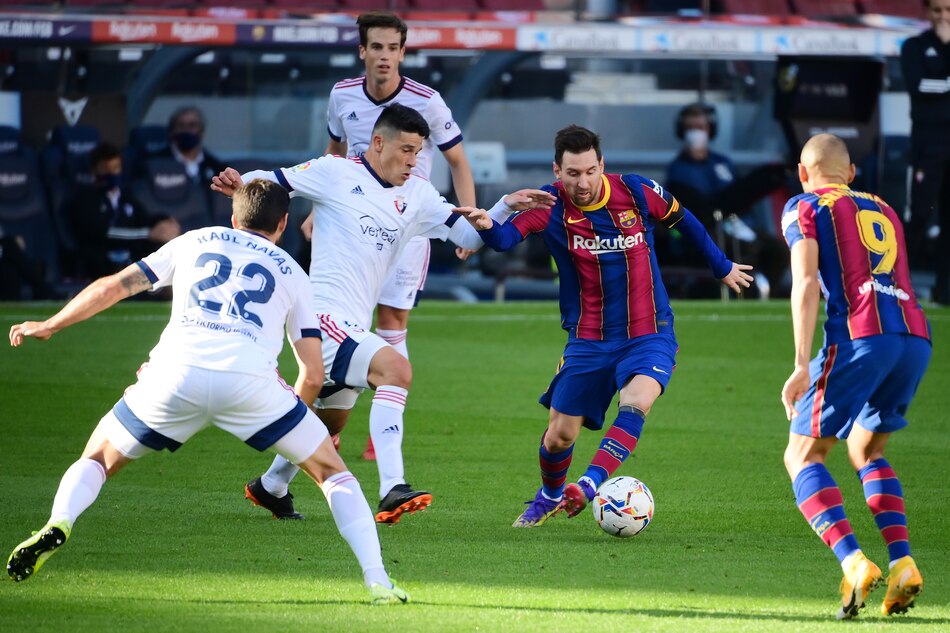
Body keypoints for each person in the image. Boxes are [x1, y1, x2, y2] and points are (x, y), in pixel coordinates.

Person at [5, 179, 409, 605]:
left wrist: (50, 324)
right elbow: (312, 372)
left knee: (98, 459)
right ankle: (378, 580)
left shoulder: (193, 240)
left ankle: (59, 521)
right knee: (333, 473)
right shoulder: (291, 270)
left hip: (174, 373)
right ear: (284, 223)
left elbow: (116, 286)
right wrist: (300, 423)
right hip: (250, 384)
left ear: (233, 219)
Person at [211, 104, 553, 525]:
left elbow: (468, 236)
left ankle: (271, 486)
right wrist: (236, 182)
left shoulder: (420, 194)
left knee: (327, 424)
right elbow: (271, 182)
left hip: (354, 322)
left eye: (418, 151)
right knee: (397, 370)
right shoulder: (335, 172)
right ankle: (393, 487)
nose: (413, 160)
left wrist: (502, 207)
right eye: (406, 150)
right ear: (378, 142)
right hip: (321, 317)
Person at [454, 125, 752, 528]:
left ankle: (591, 483)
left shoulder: (636, 191)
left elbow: (686, 222)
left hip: (649, 329)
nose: (583, 182)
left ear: (602, 165)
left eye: (590, 171)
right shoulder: (547, 203)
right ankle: (549, 496)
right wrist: (494, 216)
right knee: (559, 436)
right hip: (589, 338)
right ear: (557, 170)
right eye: (573, 173)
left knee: (638, 399)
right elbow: (505, 241)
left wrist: (722, 266)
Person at [779, 134, 930, 619]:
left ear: (804, 173)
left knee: (802, 454)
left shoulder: (804, 206)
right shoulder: (884, 208)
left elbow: (805, 283)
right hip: (914, 337)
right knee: (866, 449)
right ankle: (902, 562)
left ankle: (853, 562)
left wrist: (802, 363)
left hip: (861, 337)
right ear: (852, 173)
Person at [314, 11, 477, 460]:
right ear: (362, 51)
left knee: (391, 323)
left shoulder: (428, 101)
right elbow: (333, 152)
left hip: (408, 228)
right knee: (343, 324)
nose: (385, 56)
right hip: (350, 227)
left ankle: (379, 430)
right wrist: (316, 210)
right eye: (377, 47)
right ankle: (331, 421)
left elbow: (459, 161)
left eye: (394, 48)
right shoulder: (342, 96)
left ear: (404, 53)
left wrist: (467, 220)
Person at [664, 103, 788, 295]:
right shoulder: (679, 169)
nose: (695, 133)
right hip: (707, 230)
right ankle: (744, 296)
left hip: (737, 223)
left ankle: (766, 294)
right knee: (747, 248)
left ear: (710, 130)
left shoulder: (723, 162)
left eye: (700, 128)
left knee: (778, 249)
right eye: (690, 129)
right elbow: (700, 208)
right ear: (681, 132)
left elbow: (738, 195)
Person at [61, 142, 180, 278]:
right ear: (94, 171)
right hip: (99, 262)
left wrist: (164, 223)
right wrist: (148, 233)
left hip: (131, 260)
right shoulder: (85, 199)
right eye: (105, 168)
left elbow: (144, 220)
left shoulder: (126, 199)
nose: (111, 173)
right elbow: (102, 232)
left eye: (115, 168)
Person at [900, 0, 950, 304]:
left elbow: (933, 85)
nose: (943, 16)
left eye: (948, 10)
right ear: (926, 12)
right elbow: (918, 86)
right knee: (920, 213)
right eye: (937, 10)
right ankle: (893, 285)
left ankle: (944, 291)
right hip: (928, 148)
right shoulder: (914, 46)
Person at [161, 105, 226, 190]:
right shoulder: (156, 164)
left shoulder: (217, 168)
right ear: (172, 132)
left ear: (202, 132)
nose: (186, 130)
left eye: (192, 125)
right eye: (181, 126)